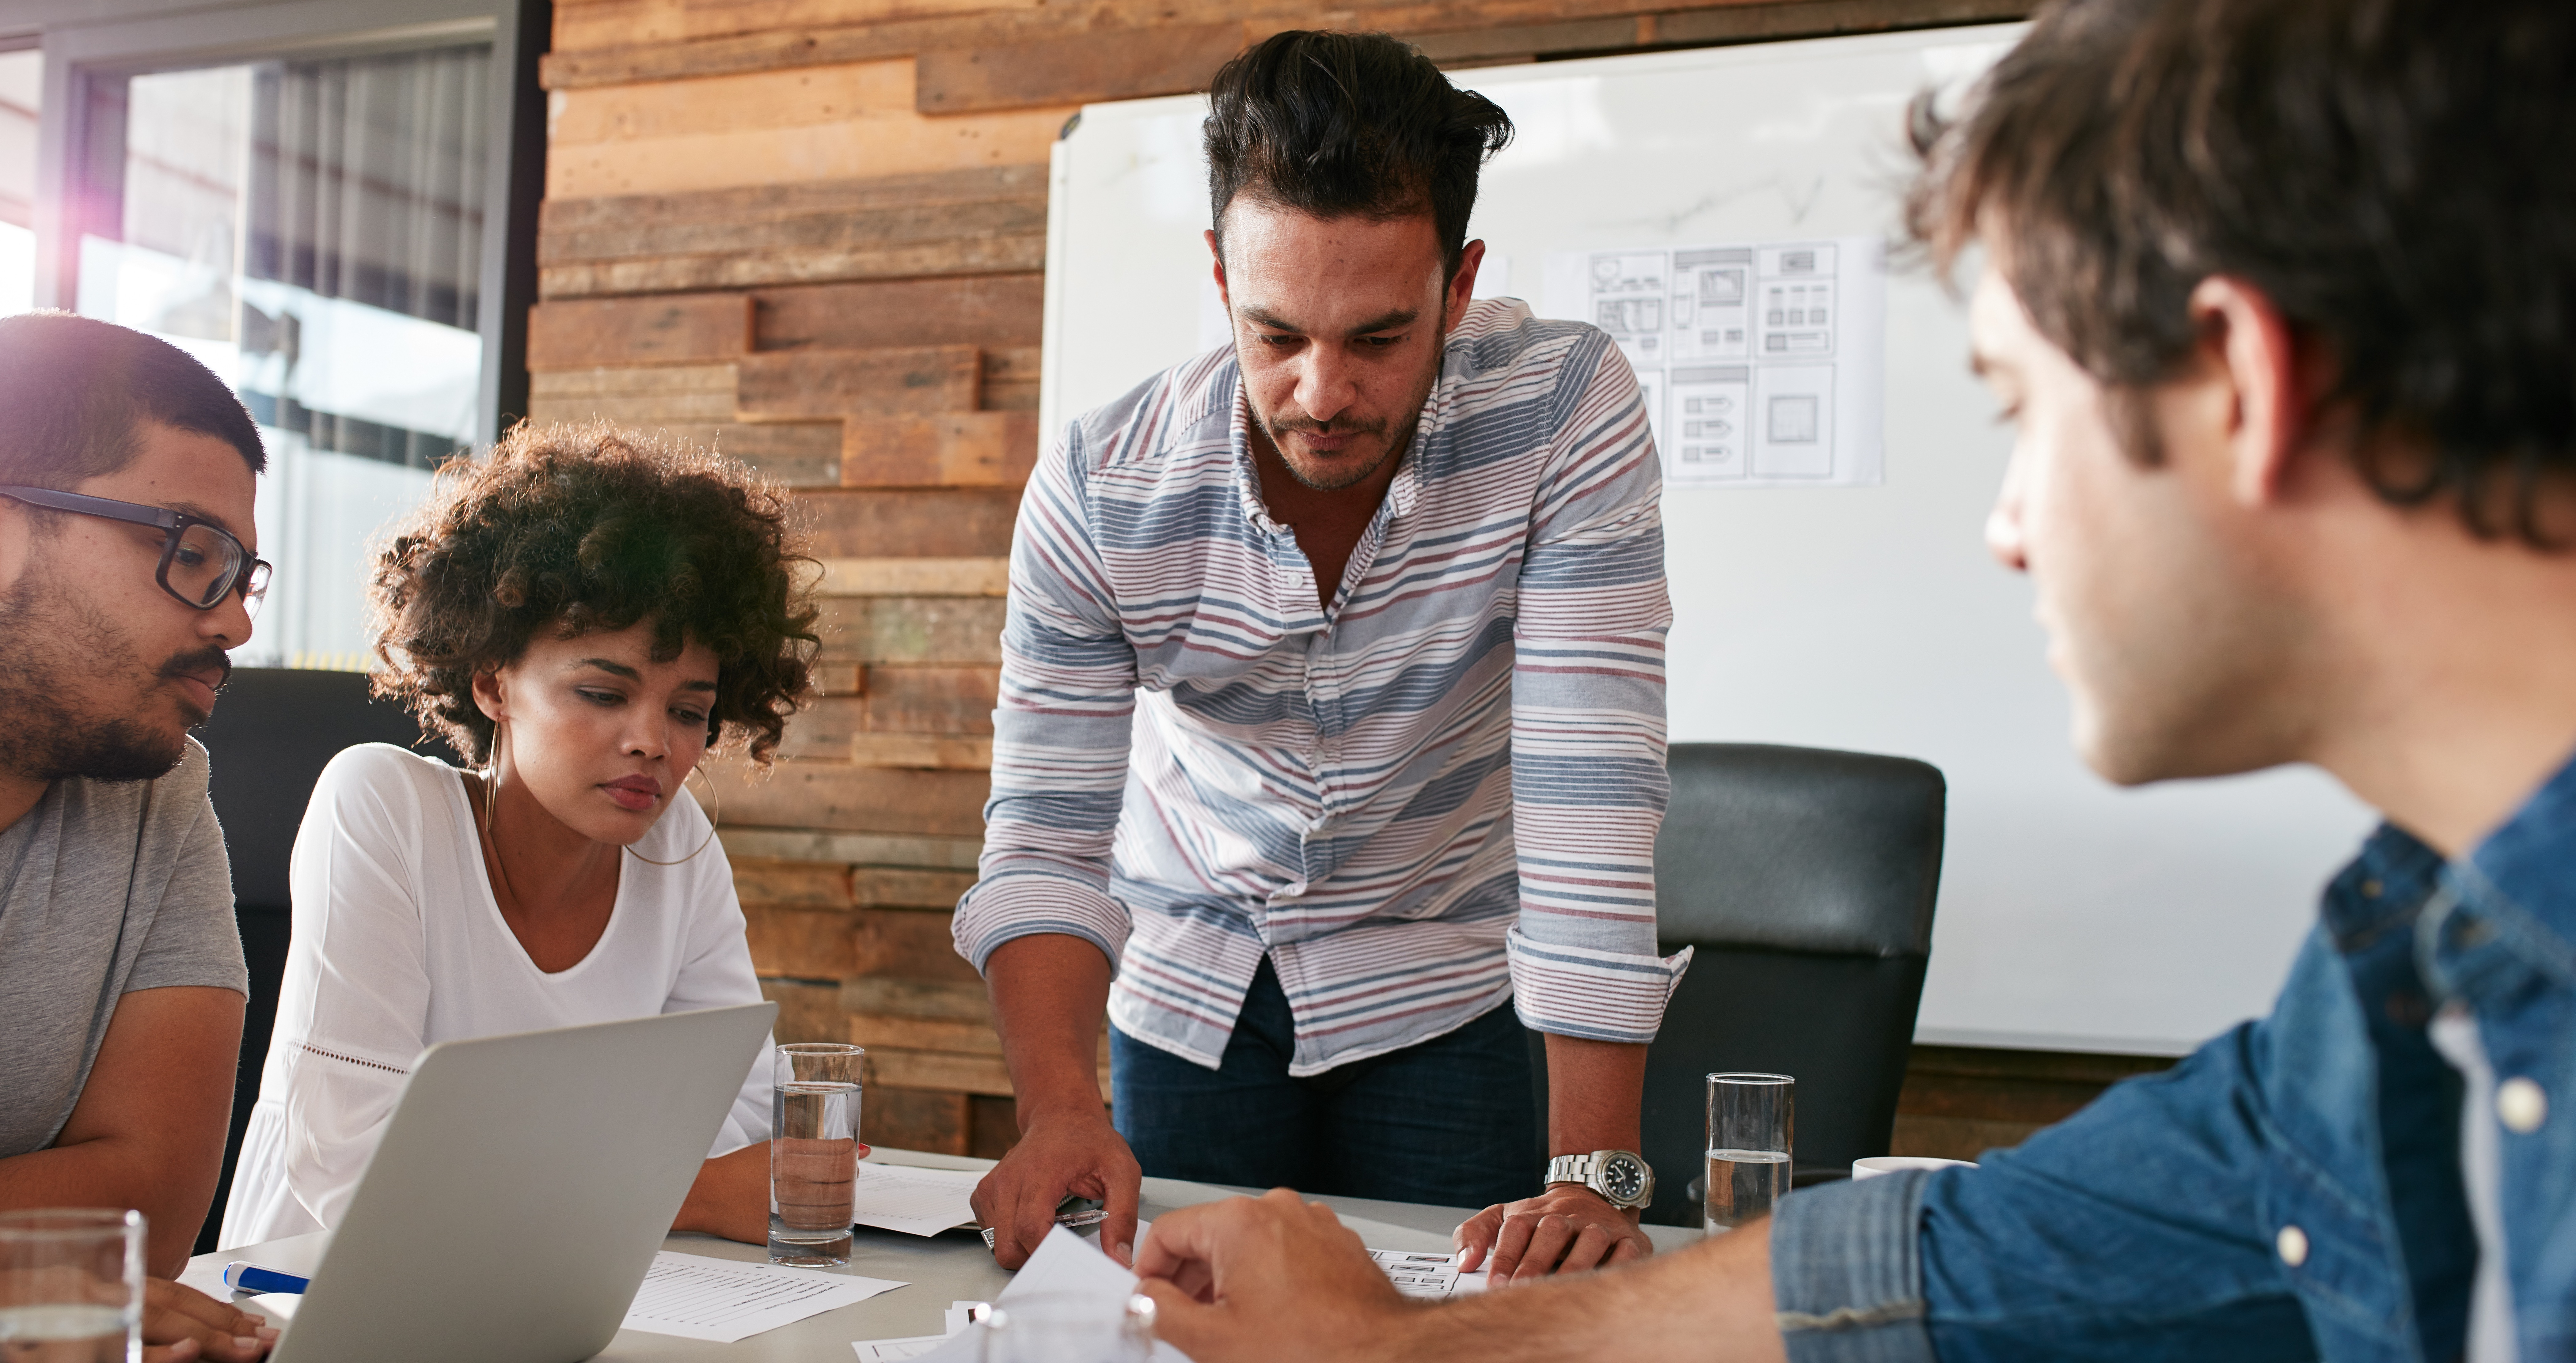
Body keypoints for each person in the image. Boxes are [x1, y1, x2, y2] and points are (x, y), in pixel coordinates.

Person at [1130, 0, 2576, 1358]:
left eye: (2021, 408)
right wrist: (1403, 1345)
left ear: (2240, 387)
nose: (2004, 532)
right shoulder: (2392, 990)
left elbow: (1584, 781)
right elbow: (1955, 1258)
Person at [959, 29, 1690, 1274]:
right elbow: (1044, 831)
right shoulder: (1102, 487)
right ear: (1217, 275)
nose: (1320, 392)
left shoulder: (1563, 411)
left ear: (1456, 292)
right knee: (1184, 1335)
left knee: (1445, 1338)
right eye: (1278, 333)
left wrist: (1591, 1176)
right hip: (1189, 982)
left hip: (1438, 978)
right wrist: (1058, 1110)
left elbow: (1588, 794)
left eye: (1377, 337)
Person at [218, 423, 826, 1249]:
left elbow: (747, 1115)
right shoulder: (383, 805)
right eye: (604, 693)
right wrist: (690, 1193)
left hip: (574, 1281)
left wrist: (564, 1172)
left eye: (689, 710)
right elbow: (359, 1167)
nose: (655, 740)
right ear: (492, 682)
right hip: (311, 1297)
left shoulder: (676, 843)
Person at [0, 312, 282, 1361]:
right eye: (190, 549)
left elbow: (148, 1214)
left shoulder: (158, 790)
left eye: (240, 571)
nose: (234, 622)